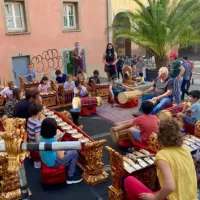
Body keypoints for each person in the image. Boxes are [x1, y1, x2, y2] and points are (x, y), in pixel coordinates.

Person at [124, 119, 197, 200]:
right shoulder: (184, 149)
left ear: (160, 136)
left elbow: (170, 187)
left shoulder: (162, 155)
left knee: (128, 180)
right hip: (192, 197)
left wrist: (155, 197)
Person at [39, 118, 82, 184]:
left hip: (46, 159)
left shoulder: (41, 137)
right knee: (74, 152)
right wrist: (60, 145)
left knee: (67, 148)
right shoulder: (53, 141)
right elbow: (61, 157)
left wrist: (58, 142)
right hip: (53, 163)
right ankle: (70, 176)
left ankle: (68, 163)